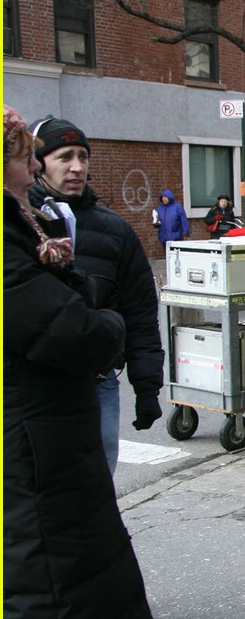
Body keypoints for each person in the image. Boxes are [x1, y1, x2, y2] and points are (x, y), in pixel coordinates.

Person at [4, 105, 158, 619]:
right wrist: (104, 322)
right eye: (25, 156)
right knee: (36, 595)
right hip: (29, 449)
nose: (33, 169)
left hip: (44, 441)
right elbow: (71, 328)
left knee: (52, 592)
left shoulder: (34, 224)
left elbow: (127, 303)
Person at [28, 116, 164, 475]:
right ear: (38, 163)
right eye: (64, 157)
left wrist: (147, 387)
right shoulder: (19, 223)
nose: (77, 167)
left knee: (99, 482)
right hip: (36, 388)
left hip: (99, 384)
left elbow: (140, 313)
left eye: (83, 157)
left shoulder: (115, 230)